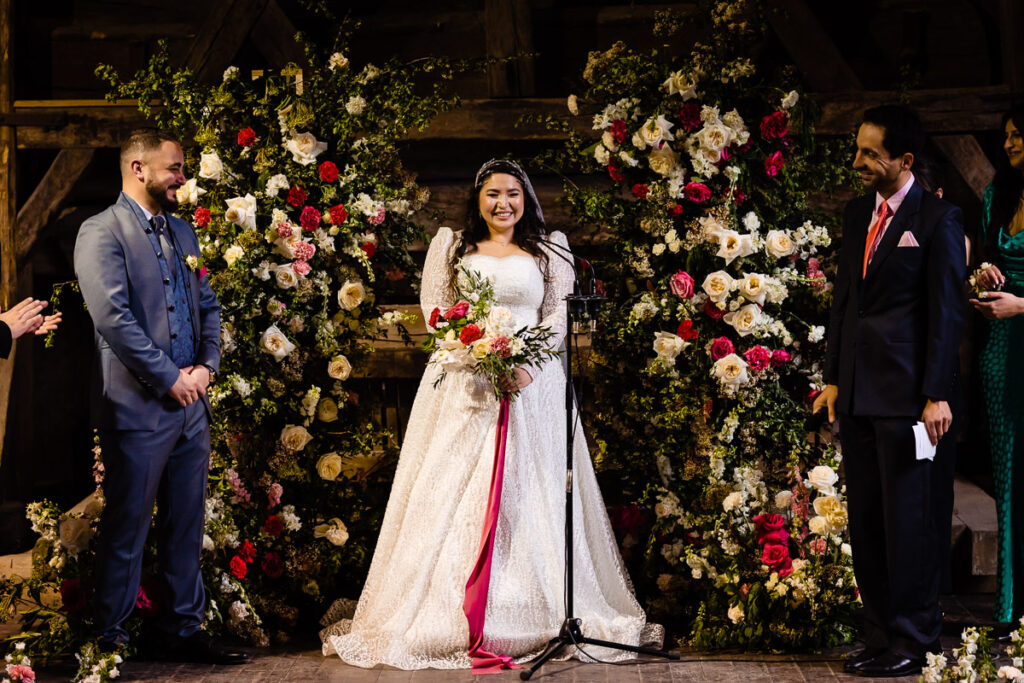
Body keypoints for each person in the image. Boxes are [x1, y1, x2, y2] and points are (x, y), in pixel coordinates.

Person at [321, 159, 661, 671]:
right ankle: (444, 615)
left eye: (513, 194)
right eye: (493, 195)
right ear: (477, 199)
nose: (504, 203)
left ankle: (534, 609)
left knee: (533, 487)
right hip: (466, 380)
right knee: (456, 488)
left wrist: (526, 366)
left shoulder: (549, 249)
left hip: (534, 385)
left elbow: (558, 313)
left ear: (526, 199)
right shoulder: (453, 245)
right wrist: (480, 352)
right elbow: (437, 312)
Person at [74, 130, 244, 664]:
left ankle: (182, 630)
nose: (182, 177)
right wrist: (172, 377)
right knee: (127, 524)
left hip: (192, 406)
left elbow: (208, 305)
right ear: (137, 168)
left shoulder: (183, 232)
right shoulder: (100, 232)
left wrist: (208, 370)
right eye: (173, 168)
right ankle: (112, 640)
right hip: (138, 406)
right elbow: (115, 321)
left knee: (186, 521)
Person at [813, 105, 966, 678]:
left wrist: (937, 394)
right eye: (858, 150)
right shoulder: (858, 215)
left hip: (910, 400)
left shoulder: (938, 220)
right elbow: (845, 303)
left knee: (911, 524)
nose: (858, 162)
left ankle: (913, 638)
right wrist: (833, 379)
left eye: (870, 153)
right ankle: (879, 633)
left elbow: (946, 314)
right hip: (856, 394)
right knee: (868, 522)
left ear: (904, 160)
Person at [970, 105, 1024, 625]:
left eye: (1017, 134)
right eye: (1005, 135)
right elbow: (980, 267)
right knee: (1007, 477)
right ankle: (1008, 607)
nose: (1008, 143)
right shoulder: (996, 195)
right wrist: (983, 274)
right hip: (1002, 349)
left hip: (1022, 323)